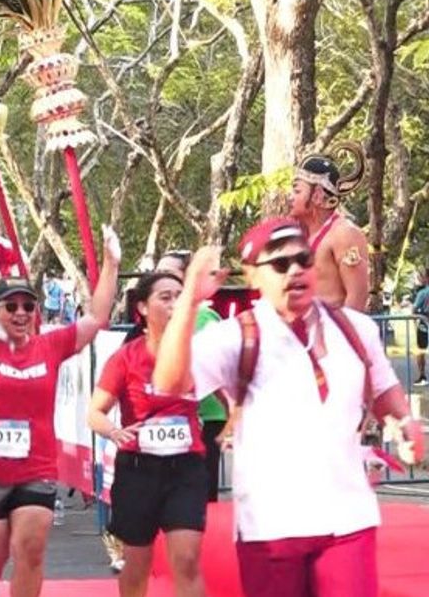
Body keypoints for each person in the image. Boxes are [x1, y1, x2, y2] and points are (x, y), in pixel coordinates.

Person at [154, 218, 425, 597]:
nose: (295, 270)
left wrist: (406, 425)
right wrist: (189, 301)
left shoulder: (356, 329)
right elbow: (169, 382)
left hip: (347, 518)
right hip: (271, 526)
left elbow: (384, 390)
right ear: (253, 276)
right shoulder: (237, 336)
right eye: (280, 265)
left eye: (303, 259)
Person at [0, 228, 120, 597]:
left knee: (30, 550)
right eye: (11, 307)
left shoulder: (51, 345)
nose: (20, 313)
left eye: (28, 306)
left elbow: (98, 317)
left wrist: (111, 263)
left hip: (36, 469)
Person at [88, 272, 206, 597]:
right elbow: (94, 412)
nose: (174, 304)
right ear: (142, 306)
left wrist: (233, 419)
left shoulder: (201, 351)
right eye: (165, 297)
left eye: (179, 296)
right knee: (137, 563)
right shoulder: (126, 357)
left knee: (187, 558)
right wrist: (114, 431)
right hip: (138, 471)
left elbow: (235, 391)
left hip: (186, 469)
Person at [157, 250, 229, 501]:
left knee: (202, 497)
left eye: (170, 273)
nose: (163, 278)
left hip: (208, 417)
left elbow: (221, 370)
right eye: (159, 273)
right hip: (173, 420)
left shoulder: (206, 318)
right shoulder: (155, 320)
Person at [289, 152, 369, 311]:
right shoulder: (300, 235)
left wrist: (340, 334)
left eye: (297, 191)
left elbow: (357, 297)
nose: (290, 197)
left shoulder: (345, 234)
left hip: (332, 332)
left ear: (317, 195)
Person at [412, 268, 429, 386]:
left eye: (422, 276)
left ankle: (422, 376)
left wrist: (414, 319)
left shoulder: (422, 293)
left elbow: (414, 310)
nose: (421, 279)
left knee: (420, 350)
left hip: (424, 322)